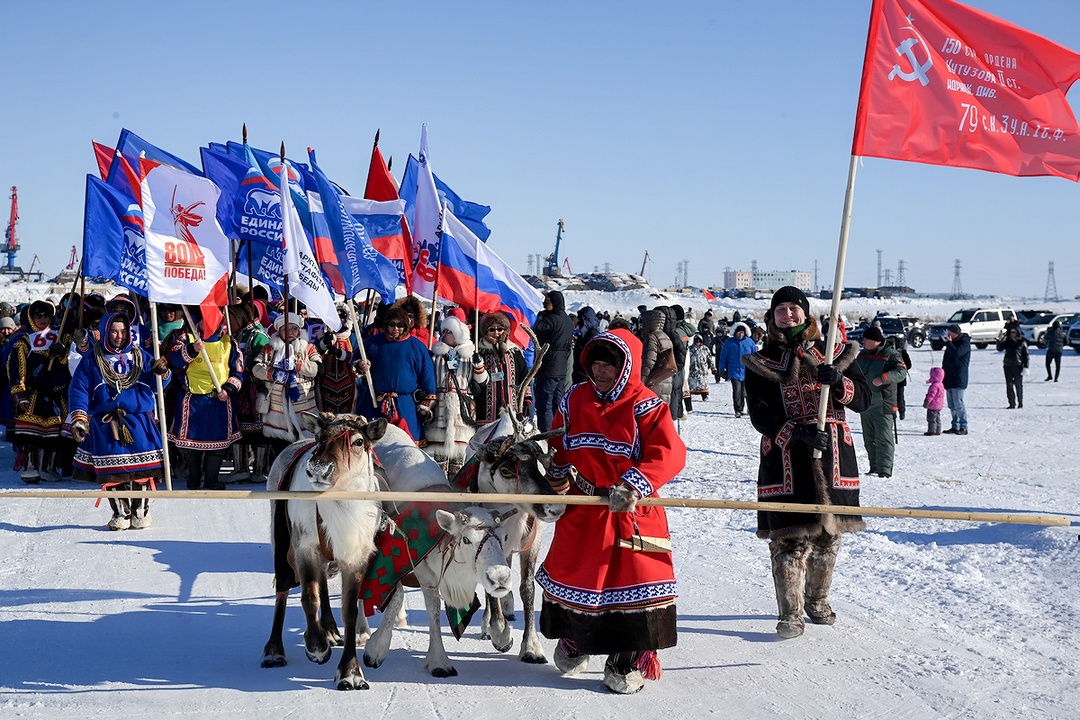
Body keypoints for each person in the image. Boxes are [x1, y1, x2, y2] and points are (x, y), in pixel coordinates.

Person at [538, 328, 686, 695]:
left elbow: (669, 453)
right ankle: (578, 638)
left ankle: (628, 656)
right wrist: (555, 473)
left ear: (627, 366)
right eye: (596, 362)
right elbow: (559, 440)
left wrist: (634, 484)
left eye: (611, 364)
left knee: (632, 580)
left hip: (632, 507)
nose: (602, 370)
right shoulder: (575, 397)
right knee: (578, 573)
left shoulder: (646, 404)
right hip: (585, 505)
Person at [743, 287, 870, 639]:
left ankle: (817, 600)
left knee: (829, 537)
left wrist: (838, 381)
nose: (788, 315)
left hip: (833, 458)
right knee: (789, 540)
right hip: (786, 460)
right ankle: (791, 614)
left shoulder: (836, 352)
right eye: (780, 310)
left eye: (794, 309)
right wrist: (796, 432)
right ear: (772, 317)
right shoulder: (760, 362)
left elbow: (863, 398)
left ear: (806, 314)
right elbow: (760, 413)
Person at [67, 311, 171, 530]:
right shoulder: (92, 359)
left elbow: (158, 385)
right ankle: (120, 512)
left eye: (123, 331)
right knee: (112, 472)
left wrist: (163, 371)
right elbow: (79, 390)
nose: (118, 336)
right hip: (106, 423)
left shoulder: (141, 355)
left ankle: (140, 510)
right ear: (105, 331)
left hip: (138, 420)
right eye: (114, 331)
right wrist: (79, 418)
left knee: (143, 469)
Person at [167, 310, 243, 490]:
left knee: (217, 444)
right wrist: (192, 350)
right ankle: (194, 476)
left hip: (218, 401)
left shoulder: (229, 342)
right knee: (191, 443)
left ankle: (211, 478)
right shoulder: (186, 339)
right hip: (192, 400)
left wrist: (228, 389)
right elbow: (175, 361)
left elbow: (238, 371)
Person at [355, 307, 436, 442]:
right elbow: (356, 361)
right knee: (373, 443)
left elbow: (427, 375)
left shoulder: (417, 346)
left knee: (406, 444)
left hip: (405, 405)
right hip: (376, 403)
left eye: (400, 325)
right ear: (386, 325)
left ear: (406, 325)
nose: (396, 328)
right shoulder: (372, 343)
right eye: (392, 324)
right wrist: (360, 365)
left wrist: (426, 401)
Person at [252, 312, 322, 454]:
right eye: (286, 329)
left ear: (299, 330)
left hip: (304, 408)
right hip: (277, 413)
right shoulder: (269, 349)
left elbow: (318, 369)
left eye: (294, 329)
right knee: (280, 452)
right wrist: (272, 373)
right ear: (279, 331)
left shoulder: (308, 348)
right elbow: (255, 368)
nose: (290, 332)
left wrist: (298, 365)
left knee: (306, 451)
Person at [426, 315, 477, 475]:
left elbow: (480, 383)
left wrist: (479, 366)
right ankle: (441, 490)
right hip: (439, 413)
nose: (444, 334)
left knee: (458, 460)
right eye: (444, 330)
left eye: (449, 331)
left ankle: (457, 493)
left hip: (460, 413)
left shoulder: (469, 356)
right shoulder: (435, 355)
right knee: (438, 459)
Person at [854, 326, 907, 478]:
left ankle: (884, 469)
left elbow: (901, 372)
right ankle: (874, 467)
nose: (863, 341)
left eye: (866, 338)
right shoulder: (862, 355)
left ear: (875, 341)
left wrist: (884, 378)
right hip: (865, 402)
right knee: (869, 438)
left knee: (883, 437)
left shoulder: (890, 354)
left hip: (884, 402)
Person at [470, 311, 531, 426]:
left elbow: (525, 377)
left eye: (500, 329)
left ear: (505, 330)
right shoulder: (479, 351)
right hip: (485, 409)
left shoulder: (514, 351)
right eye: (492, 329)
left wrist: (526, 400)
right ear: (485, 331)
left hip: (512, 409)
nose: (496, 333)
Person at [532, 290, 574, 431]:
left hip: (548, 366)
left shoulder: (550, 319)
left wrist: (541, 315)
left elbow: (538, 329)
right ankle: (560, 431)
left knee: (545, 404)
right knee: (558, 402)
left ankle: (546, 435)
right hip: (561, 368)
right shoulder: (568, 321)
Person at [717, 322, 757, 417]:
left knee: (745, 391)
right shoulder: (729, 342)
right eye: (738, 332)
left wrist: (757, 368)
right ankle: (738, 409)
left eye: (742, 333)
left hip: (747, 371)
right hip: (734, 370)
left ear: (745, 333)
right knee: (737, 390)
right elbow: (723, 356)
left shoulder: (750, 342)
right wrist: (721, 369)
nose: (740, 334)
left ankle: (746, 408)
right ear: (735, 333)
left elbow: (755, 356)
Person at [637, 308, 676, 400]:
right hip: (665, 379)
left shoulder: (652, 337)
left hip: (654, 383)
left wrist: (642, 380)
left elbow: (649, 361)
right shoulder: (664, 336)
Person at [941, 324, 971, 435]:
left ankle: (963, 426)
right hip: (949, 377)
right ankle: (955, 425)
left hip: (959, 377)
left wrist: (949, 343)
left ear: (955, 333)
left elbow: (957, 353)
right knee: (951, 404)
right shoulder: (951, 344)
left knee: (959, 403)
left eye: (950, 333)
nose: (948, 335)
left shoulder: (964, 343)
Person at [996, 326, 1029, 409]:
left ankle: (1020, 402)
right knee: (1009, 385)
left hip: (1018, 365)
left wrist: (1026, 367)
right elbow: (999, 348)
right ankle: (1012, 403)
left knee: (1018, 385)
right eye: (1011, 332)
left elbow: (1026, 356)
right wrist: (999, 340)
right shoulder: (1007, 341)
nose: (1012, 334)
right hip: (1007, 365)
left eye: (1014, 332)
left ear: (1017, 333)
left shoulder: (1022, 342)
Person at [686, 334, 714, 401]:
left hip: (702, 371)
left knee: (703, 384)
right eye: (696, 341)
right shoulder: (690, 349)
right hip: (692, 370)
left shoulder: (705, 349)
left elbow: (709, 359)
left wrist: (713, 368)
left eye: (699, 341)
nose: (698, 343)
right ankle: (690, 396)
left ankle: (704, 396)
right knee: (692, 384)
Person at [923, 367, 946, 436]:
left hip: (933, 405)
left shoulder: (934, 385)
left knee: (931, 418)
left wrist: (927, 401)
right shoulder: (941, 384)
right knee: (937, 418)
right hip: (939, 405)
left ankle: (932, 430)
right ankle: (938, 430)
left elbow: (931, 395)